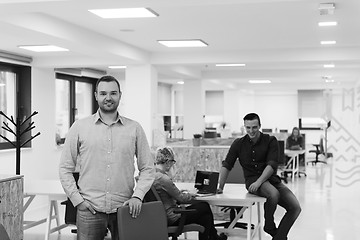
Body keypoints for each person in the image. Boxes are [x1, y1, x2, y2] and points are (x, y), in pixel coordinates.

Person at [59, 75, 155, 240]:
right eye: (103, 93)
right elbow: (65, 168)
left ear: (120, 95)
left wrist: (138, 196)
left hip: (125, 209)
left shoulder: (134, 128)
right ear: (96, 95)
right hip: (89, 209)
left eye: (113, 93)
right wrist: (78, 200)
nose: (108, 98)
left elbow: (147, 168)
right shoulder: (79, 127)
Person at [217, 113, 301, 240]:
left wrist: (259, 182)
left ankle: (277, 235)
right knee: (273, 194)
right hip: (252, 180)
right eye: (248, 128)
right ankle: (270, 225)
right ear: (244, 127)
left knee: (295, 208)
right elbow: (227, 164)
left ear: (260, 126)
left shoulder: (270, 141)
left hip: (271, 180)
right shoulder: (238, 143)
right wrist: (220, 186)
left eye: (254, 127)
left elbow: (272, 165)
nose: (251, 131)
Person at [153, 146, 227, 240]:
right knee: (204, 206)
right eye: (172, 162)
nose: (172, 165)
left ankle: (214, 237)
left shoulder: (152, 175)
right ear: (167, 162)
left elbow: (168, 195)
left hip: (162, 217)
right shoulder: (163, 179)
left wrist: (181, 192)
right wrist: (190, 194)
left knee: (205, 217)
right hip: (174, 217)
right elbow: (181, 198)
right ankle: (214, 237)